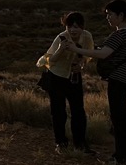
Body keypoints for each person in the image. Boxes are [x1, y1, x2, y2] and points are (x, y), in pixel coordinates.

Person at [63, 0, 126, 165]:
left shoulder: (121, 34)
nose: (108, 18)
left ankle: (123, 158)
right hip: (124, 80)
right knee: (119, 119)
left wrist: (77, 50)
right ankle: (124, 156)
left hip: (119, 80)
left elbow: (104, 54)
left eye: (110, 14)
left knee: (119, 120)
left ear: (121, 15)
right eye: (107, 15)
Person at [37, 12, 95, 154]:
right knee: (58, 111)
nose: (73, 30)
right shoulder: (61, 37)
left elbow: (88, 54)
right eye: (70, 26)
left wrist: (81, 63)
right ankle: (60, 143)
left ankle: (80, 144)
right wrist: (61, 49)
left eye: (76, 27)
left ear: (82, 27)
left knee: (78, 111)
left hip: (74, 77)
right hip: (56, 76)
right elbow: (51, 60)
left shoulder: (87, 36)